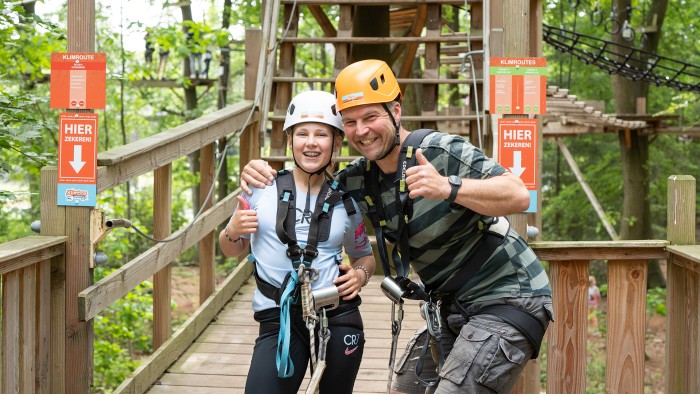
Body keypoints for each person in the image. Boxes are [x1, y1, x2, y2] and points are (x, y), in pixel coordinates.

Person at [241, 59, 554, 393]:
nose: (361, 131)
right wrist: (261, 175)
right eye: (350, 122)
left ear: (396, 110)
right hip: (450, 307)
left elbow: (517, 194)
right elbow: (311, 190)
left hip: (509, 297)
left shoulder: (438, 150)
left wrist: (448, 188)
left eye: (371, 117)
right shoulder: (359, 179)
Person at [220, 90, 375, 394]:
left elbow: (364, 256)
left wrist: (360, 276)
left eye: (322, 134)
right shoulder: (260, 189)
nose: (311, 142)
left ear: (336, 142)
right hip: (278, 320)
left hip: (336, 316)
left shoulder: (346, 203)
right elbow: (231, 249)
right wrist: (234, 229)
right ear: (290, 141)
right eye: (302, 133)